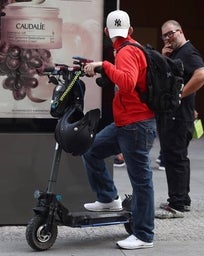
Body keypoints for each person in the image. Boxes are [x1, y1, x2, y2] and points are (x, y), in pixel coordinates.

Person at [82, 10, 157, 250]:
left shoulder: (126, 51)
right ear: (130, 30)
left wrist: (104, 65)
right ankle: (108, 198)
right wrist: (106, 69)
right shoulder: (129, 49)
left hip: (136, 125)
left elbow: (127, 82)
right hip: (126, 123)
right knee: (92, 149)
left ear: (106, 32)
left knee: (141, 180)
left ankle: (144, 235)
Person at [155, 20, 204, 219]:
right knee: (174, 157)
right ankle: (180, 200)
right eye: (165, 35)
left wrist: (180, 95)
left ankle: (177, 204)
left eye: (171, 33)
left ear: (181, 32)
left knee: (175, 158)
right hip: (176, 115)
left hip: (178, 117)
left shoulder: (188, 52)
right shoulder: (177, 53)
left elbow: (202, 75)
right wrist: (164, 57)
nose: (168, 37)